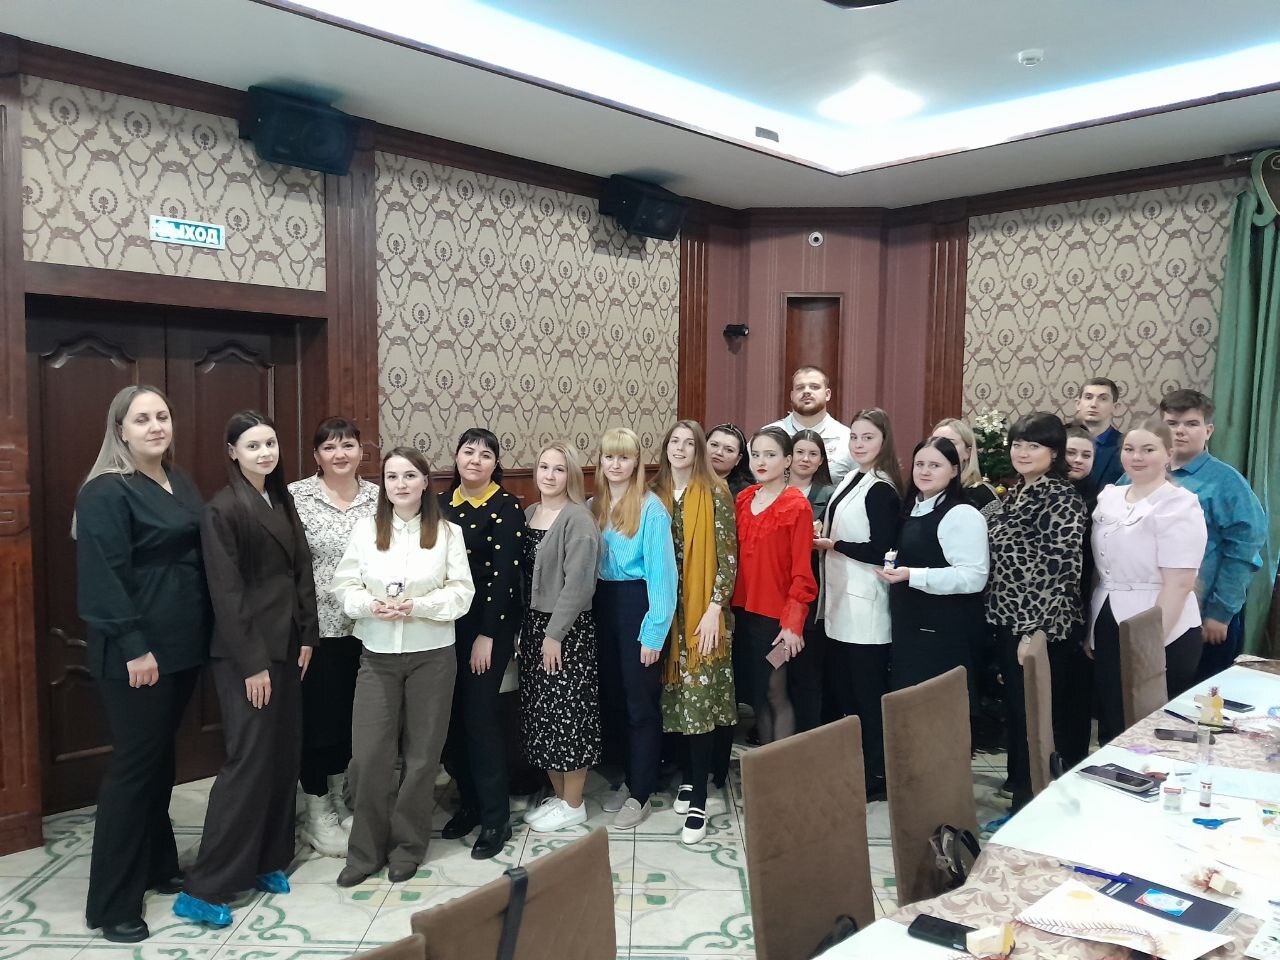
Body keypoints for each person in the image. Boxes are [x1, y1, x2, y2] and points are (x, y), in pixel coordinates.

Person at [74, 386, 211, 944]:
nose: (155, 426)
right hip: (137, 652)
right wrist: (134, 646)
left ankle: (158, 863)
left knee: (160, 763)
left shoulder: (179, 481)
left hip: (183, 644)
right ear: (120, 431)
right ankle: (113, 903)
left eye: (162, 416)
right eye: (141, 419)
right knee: (133, 772)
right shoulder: (105, 491)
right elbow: (102, 578)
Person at [175, 412, 319, 928]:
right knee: (249, 761)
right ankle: (206, 886)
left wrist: (308, 635)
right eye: (253, 445)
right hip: (247, 656)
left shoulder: (280, 498)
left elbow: (302, 569)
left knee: (283, 755)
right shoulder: (223, 508)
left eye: (271, 443)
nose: (265, 452)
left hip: (289, 646)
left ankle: (265, 859)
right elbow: (227, 593)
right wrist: (252, 663)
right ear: (233, 452)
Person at [331, 448, 475, 886]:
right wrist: (369, 605)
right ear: (384, 485)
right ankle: (364, 851)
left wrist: (419, 606)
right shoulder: (365, 530)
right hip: (377, 655)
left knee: (422, 756)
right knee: (369, 757)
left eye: (410, 475)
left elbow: (462, 593)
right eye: (392, 477)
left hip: (432, 655)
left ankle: (408, 846)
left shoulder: (447, 533)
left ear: (425, 481)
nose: (401, 484)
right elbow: (344, 585)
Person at [985, 413, 1086, 814]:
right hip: (1006, 619)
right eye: (1017, 444)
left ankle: (1034, 806)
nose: (1022, 452)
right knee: (1019, 714)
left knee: (1037, 719)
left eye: (1033, 445)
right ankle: (1023, 800)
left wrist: (1033, 630)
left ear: (1054, 452)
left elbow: (1058, 569)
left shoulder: (1061, 497)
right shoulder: (1016, 493)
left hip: (1042, 627)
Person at [288, 417, 379, 857]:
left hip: (366, 628)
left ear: (362, 450)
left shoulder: (378, 497)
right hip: (315, 630)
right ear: (316, 455)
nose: (339, 454)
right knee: (316, 721)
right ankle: (316, 809)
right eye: (329, 447)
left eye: (347, 445)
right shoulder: (296, 497)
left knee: (349, 719)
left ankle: (341, 800)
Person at [438, 428, 527, 860]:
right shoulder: (439, 504)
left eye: (486, 454)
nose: (475, 460)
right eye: (468, 451)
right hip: (442, 628)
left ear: (496, 464)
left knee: (479, 718)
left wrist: (487, 636)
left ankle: (496, 818)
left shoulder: (506, 507)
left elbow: (505, 579)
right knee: (451, 720)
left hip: (487, 629)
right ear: (456, 457)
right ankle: (469, 803)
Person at [1091, 421, 1208, 742]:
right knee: (1112, 722)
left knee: (1147, 728)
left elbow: (1179, 583)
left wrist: (1149, 643)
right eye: (1129, 449)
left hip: (1161, 623)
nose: (1136, 457)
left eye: (1148, 449)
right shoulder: (1110, 497)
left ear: (1169, 454)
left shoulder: (1179, 503)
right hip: (1108, 614)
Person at [651, 421, 738, 845]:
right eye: (675, 441)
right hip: (664, 611)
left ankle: (700, 797)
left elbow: (728, 558)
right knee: (675, 702)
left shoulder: (715, 491)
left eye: (690, 443)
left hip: (703, 614)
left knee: (700, 702)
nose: (681, 448)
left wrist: (714, 609)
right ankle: (688, 776)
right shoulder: (654, 494)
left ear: (699, 450)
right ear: (666, 447)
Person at [813, 409, 902, 800]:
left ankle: (876, 775)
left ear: (884, 441)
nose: (859, 444)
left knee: (867, 696)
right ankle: (853, 767)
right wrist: (825, 531)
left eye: (868, 437)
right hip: (841, 601)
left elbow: (883, 548)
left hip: (865, 605)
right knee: (846, 692)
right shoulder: (852, 477)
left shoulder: (882, 487)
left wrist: (835, 544)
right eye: (855, 437)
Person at [592, 427, 678, 830]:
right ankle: (628, 778)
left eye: (623, 457)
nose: (615, 464)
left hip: (637, 605)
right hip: (601, 605)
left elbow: (663, 577)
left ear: (636, 463)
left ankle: (642, 792)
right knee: (614, 699)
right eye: (609, 456)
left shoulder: (651, 508)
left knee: (640, 704)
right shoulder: (594, 505)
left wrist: (654, 632)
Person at [519, 442, 601, 833]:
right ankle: (560, 797)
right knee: (543, 716)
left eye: (558, 469)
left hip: (567, 631)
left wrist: (554, 635)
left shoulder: (578, 519)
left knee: (571, 716)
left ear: (571, 475)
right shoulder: (530, 513)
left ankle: (574, 803)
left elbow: (579, 585)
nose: (549, 475)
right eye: (543, 467)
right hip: (534, 628)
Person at [1158, 389, 1266, 680]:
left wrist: (1221, 612)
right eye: (1172, 423)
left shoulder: (1227, 482)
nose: (1180, 431)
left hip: (1204, 616)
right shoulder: (1143, 471)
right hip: (1151, 611)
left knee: (1197, 700)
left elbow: (1244, 549)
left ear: (1208, 431)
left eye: (1191, 424)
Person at [876, 437, 989, 691]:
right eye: (920, 464)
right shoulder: (913, 509)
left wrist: (912, 575)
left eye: (935, 465)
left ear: (954, 470)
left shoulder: (961, 514)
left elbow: (973, 577)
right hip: (910, 630)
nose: (925, 471)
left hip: (943, 635)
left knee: (938, 708)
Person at [733, 427, 818, 746]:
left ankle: (781, 763)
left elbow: (803, 571)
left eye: (770, 455)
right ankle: (764, 763)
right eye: (755, 455)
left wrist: (793, 623)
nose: (761, 462)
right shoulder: (744, 499)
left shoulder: (797, 505)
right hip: (743, 614)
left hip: (779, 621)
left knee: (775, 689)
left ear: (787, 460)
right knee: (756, 693)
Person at [1057, 422, 1098, 769]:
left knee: (1078, 694)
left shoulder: (1100, 500)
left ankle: (1074, 762)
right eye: (1071, 452)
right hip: (1051, 607)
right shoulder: (1047, 494)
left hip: (1085, 602)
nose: (1078, 460)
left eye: (1086, 455)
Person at [787, 428, 834, 732]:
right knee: (776, 664)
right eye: (800, 452)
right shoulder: (771, 489)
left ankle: (808, 731)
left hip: (811, 589)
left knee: (806, 664)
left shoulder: (829, 495)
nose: (805, 459)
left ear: (821, 461)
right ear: (788, 457)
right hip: (775, 589)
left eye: (813, 454)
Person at [767, 366, 856, 486]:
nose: (806, 392)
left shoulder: (847, 439)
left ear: (827, 394)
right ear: (792, 396)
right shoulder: (769, 436)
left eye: (814, 387)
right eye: (800, 388)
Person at [930, 418, 1001, 523]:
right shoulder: (924, 488)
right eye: (935, 442)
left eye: (950, 443)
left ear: (967, 452)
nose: (940, 449)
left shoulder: (981, 494)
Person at [1074, 377, 1124, 488]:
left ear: (1115, 407)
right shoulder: (1061, 439)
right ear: (1078, 404)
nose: (1093, 404)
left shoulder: (1125, 446)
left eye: (1103, 399)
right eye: (1088, 397)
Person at [706, 423, 754, 497]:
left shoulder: (746, 493)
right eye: (714, 445)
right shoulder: (687, 479)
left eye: (729, 450)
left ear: (738, 459)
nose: (719, 452)